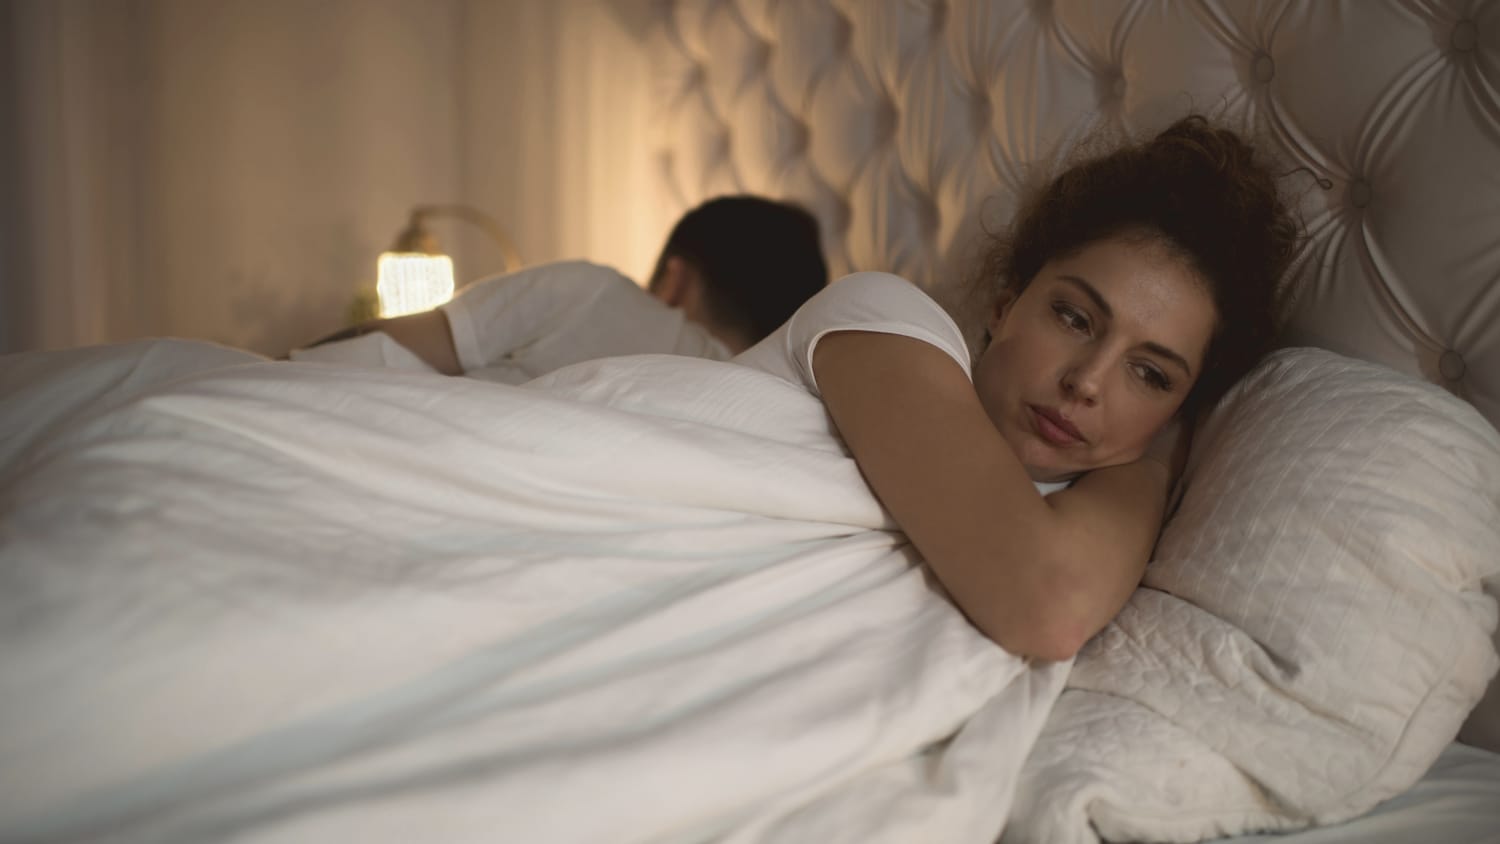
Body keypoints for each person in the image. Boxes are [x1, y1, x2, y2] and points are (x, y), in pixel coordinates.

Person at [736, 115, 1300, 661]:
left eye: (1151, 374)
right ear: (1006, 306)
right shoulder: (884, 318)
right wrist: (1152, 464)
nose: (1086, 382)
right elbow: (1049, 605)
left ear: (1182, 412)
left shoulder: (1095, 533)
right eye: (1074, 318)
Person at [287, 195, 829, 384]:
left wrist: (271, 365)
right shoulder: (777, 405)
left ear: (675, 279)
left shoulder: (595, 293)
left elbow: (401, 342)